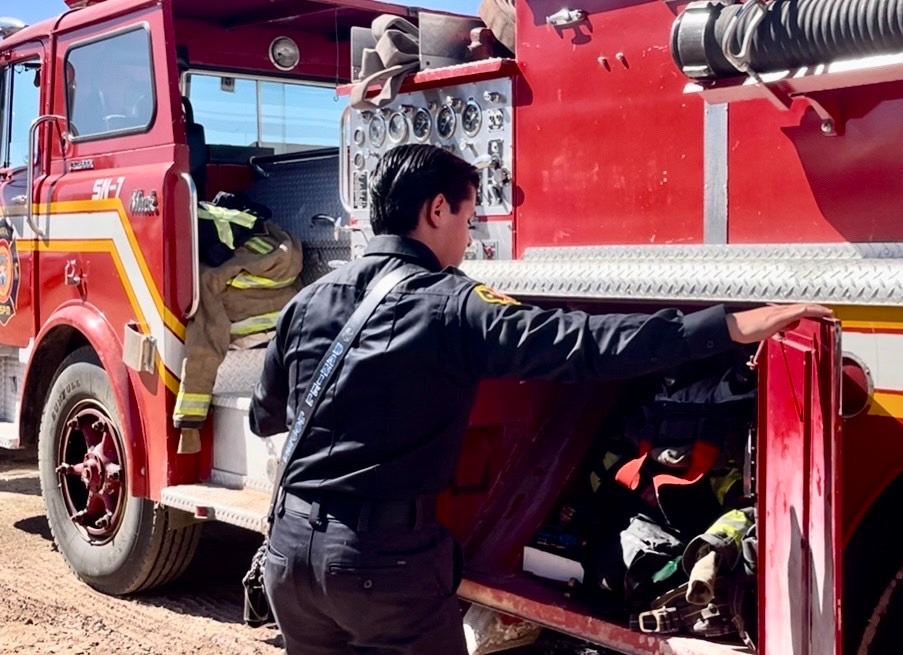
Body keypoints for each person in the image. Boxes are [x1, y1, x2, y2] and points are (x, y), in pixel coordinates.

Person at [248, 143, 832, 654]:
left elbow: (265, 415)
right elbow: (582, 344)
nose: (469, 238)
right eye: (469, 219)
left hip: (289, 556)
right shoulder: (452, 305)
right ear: (436, 210)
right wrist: (728, 326)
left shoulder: (310, 300)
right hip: (381, 566)